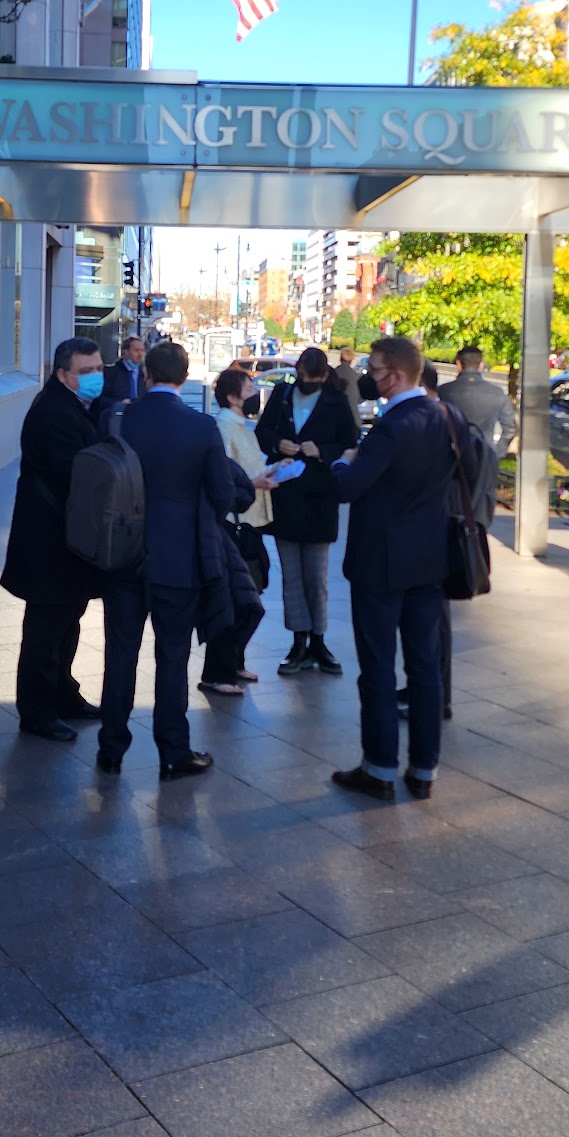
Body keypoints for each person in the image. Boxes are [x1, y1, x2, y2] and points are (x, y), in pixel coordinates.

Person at [97, 340, 246, 780]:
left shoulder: (118, 418)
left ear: (145, 374)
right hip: (179, 558)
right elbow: (222, 493)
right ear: (184, 377)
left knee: (120, 653)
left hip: (122, 554)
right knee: (173, 656)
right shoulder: (201, 427)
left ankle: (111, 748)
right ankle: (173, 751)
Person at [328, 336, 453, 801]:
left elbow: (349, 488)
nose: (369, 377)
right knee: (425, 667)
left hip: (379, 564)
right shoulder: (446, 417)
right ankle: (424, 770)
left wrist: (341, 464)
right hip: (430, 559)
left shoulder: (392, 428)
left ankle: (379, 769)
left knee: (378, 667)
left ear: (396, 375)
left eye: (375, 370)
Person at [0, 337, 107, 741]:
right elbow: (75, 473)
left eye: (99, 368)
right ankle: (37, 711)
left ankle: (64, 695)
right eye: (86, 371)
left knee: (67, 623)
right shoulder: (53, 413)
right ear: (63, 375)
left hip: (67, 539)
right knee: (46, 631)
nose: (96, 377)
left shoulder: (77, 405)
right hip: (49, 541)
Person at [255, 346, 359, 675]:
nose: (306, 382)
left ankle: (318, 639)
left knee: (316, 576)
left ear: (325, 376)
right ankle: (298, 640)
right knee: (291, 576)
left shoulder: (336, 401)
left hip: (319, 499)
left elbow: (350, 441)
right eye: (302, 376)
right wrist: (278, 444)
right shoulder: (283, 395)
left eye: (312, 378)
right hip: (286, 495)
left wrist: (322, 451)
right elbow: (263, 431)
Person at [201, 366, 276, 694]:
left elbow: (250, 467)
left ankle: (234, 662)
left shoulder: (243, 427)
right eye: (249, 390)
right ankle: (217, 671)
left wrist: (273, 471)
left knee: (250, 595)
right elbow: (224, 477)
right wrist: (254, 482)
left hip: (251, 521)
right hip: (234, 523)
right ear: (232, 397)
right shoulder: (222, 428)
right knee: (236, 600)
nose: (254, 395)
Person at [438, 344, 516, 456]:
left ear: (458, 364)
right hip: (485, 455)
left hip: (452, 456)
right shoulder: (496, 393)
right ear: (481, 365)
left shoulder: (444, 391)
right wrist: (496, 452)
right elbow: (511, 427)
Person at [97, 333, 146, 411]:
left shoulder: (146, 373)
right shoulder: (110, 372)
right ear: (125, 351)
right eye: (136, 350)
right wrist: (119, 403)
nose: (140, 355)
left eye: (142, 350)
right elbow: (100, 399)